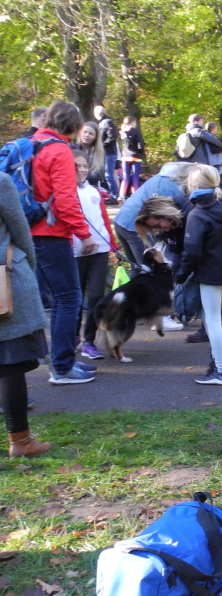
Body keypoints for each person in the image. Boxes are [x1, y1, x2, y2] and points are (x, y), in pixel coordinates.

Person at [31, 100, 98, 385]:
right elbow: (65, 199)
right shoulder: (58, 150)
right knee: (70, 298)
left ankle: (62, 362)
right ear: (74, 125)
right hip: (51, 234)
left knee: (59, 300)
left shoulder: (33, 143)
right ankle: (62, 367)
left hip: (30, 230)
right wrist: (83, 234)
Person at [0, 171, 52, 456]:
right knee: (9, 364)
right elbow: (20, 231)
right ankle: (20, 441)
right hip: (4, 283)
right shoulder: (0, 181)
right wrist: (25, 268)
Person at [178, 165, 222, 385]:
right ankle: (220, 361)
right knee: (214, 319)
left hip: (210, 271)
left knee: (211, 319)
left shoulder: (198, 213)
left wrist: (181, 275)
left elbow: (191, 250)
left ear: (194, 185)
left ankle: (221, 370)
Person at [72, 150, 118, 362]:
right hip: (75, 252)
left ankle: (89, 340)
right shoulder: (64, 192)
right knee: (74, 297)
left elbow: (103, 221)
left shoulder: (93, 191)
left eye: (84, 166)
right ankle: (72, 337)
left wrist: (113, 246)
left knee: (96, 297)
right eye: (76, 166)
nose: (81, 170)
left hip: (99, 250)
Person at [113, 162, 191, 270]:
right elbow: (174, 218)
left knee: (138, 269)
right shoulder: (173, 187)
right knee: (150, 270)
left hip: (121, 220)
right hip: (136, 225)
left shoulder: (161, 178)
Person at [119, 116, 146, 201]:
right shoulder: (136, 132)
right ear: (133, 122)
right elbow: (140, 144)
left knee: (125, 177)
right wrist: (141, 153)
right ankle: (135, 196)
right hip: (135, 156)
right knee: (135, 177)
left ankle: (121, 195)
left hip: (125, 156)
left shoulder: (122, 132)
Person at [76, 121, 109, 191]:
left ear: (95, 137)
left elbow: (100, 173)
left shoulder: (100, 153)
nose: (87, 135)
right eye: (85, 132)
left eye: (91, 134)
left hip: (92, 187)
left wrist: (84, 178)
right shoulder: (73, 148)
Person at [95, 106, 120, 196]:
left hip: (109, 153)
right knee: (106, 175)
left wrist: (101, 145)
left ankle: (114, 195)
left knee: (109, 175)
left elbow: (112, 137)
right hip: (105, 152)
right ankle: (111, 194)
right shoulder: (102, 123)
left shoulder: (107, 122)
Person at [202, 123, 222, 187]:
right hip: (214, 162)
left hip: (210, 162)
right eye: (216, 128)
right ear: (213, 128)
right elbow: (213, 150)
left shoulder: (205, 137)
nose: (217, 130)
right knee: (216, 181)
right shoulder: (211, 138)